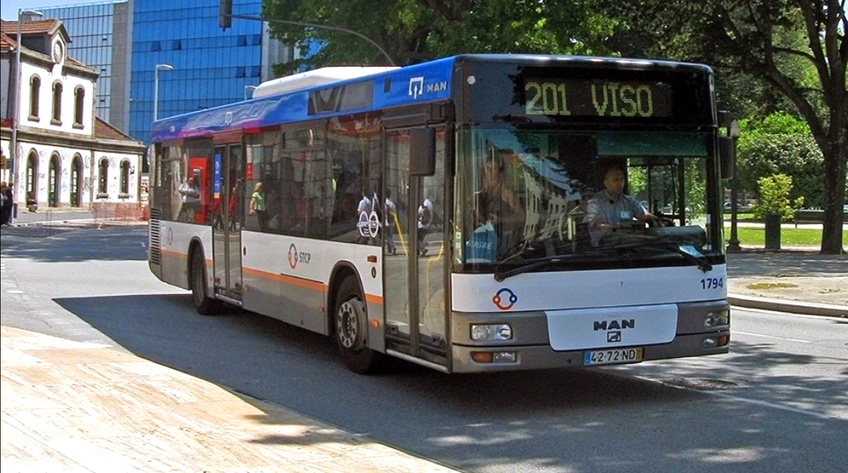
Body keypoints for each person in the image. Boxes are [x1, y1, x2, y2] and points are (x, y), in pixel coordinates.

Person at [586, 166, 655, 246]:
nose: (620, 183)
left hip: (629, 249)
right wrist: (623, 228)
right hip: (604, 251)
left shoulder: (629, 201)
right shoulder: (595, 203)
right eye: (615, 180)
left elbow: (643, 214)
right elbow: (601, 226)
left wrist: (656, 220)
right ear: (606, 183)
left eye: (622, 179)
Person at [384, 189, 398, 255]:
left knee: (387, 236)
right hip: (392, 222)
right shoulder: (392, 204)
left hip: (386, 222)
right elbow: (395, 213)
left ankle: (393, 247)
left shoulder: (384, 204)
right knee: (390, 236)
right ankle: (390, 249)